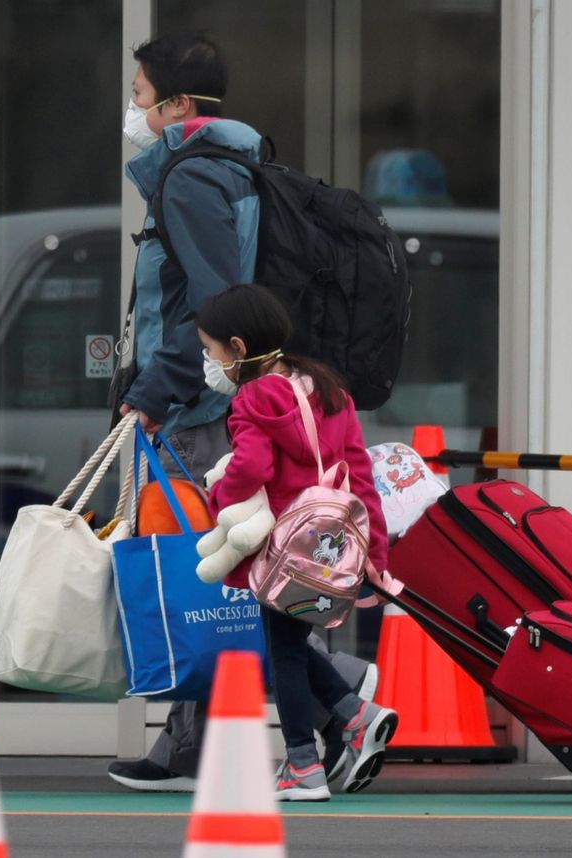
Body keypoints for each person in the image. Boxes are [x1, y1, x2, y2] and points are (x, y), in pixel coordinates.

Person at [107, 30, 375, 794]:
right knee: (226, 579)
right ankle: (238, 731)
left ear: (178, 104)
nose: (133, 109)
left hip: (198, 404)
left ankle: (343, 699)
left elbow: (212, 303)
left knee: (208, 576)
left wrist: (152, 394)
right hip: (220, 395)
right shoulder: (240, 166)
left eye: (138, 95)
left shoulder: (192, 180)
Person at [197, 283, 398, 799]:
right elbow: (360, 469)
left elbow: (252, 466)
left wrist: (219, 493)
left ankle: (302, 765)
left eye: (211, 350)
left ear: (238, 349)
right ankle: (354, 715)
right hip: (330, 543)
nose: (209, 361)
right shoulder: (328, 388)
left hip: (285, 547)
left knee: (283, 653)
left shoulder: (253, 398)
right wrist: (375, 551)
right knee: (289, 643)